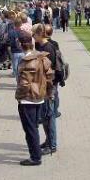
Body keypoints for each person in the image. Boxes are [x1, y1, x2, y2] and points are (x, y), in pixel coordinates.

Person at [15, 32, 54, 166]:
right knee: (34, 128)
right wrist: (48, 93)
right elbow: (49, 77)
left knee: (30, 129)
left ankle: (35, 157)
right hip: (40, 98)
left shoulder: (25, 61)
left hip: (28, 99)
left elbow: (24, 83)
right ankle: (36, 154)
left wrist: (19, 97)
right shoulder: (41, 57)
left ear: (20, 44)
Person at [32, 24, 59, 154]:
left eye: (34, 34)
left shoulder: (48, 48)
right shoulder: (41, 46)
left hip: (48, 86)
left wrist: (48, 90)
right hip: (43, 86)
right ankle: (48, 140)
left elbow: (49, 71)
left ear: (39, 34)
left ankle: (52, 145)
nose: (33, 37)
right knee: (45, 116)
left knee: (49, 116)